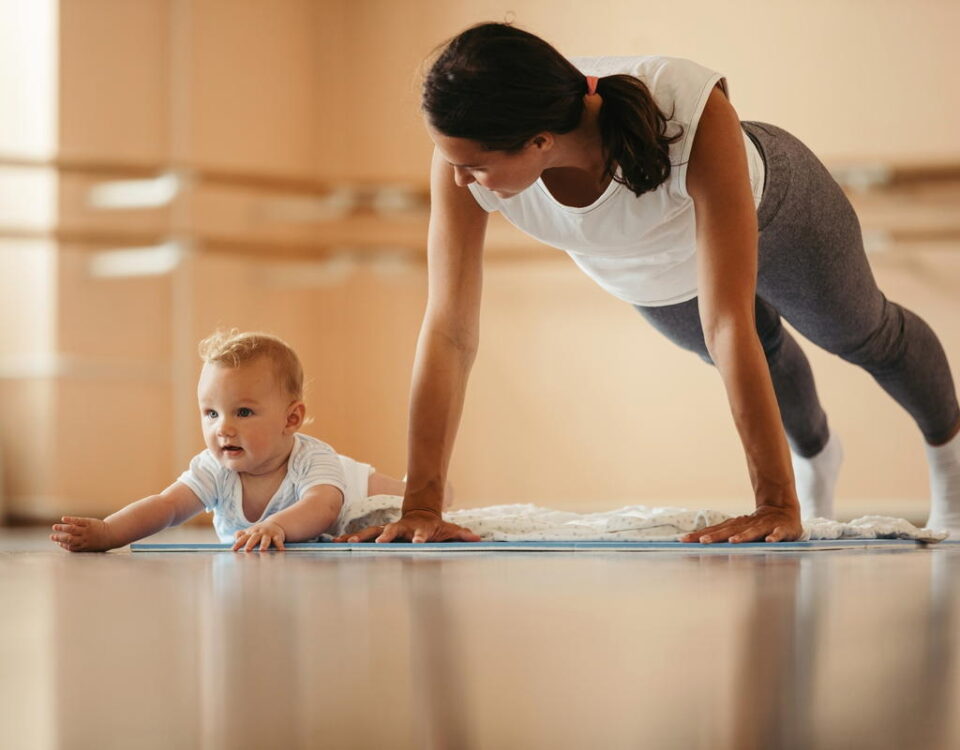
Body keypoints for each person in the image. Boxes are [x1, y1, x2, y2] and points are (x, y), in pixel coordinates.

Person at [341, 22, 960, 545]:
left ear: (540, 141)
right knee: (765, 360)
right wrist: (421, 504)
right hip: (646, 266)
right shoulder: (463, 154)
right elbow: (449, 330)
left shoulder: (686, 105)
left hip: (779, 209)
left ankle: (951, 472)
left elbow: (727, 321)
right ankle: (816, 461)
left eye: (474, 166)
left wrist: (772, 504)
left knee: (861, 334)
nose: (461, 181)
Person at [49, 330, 410, 552]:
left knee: (400, 500)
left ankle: (428, 490)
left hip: (349, 486)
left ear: (291, 418)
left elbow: (323, 508)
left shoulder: (313, 460)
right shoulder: (214, 468)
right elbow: (167, 506)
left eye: (243, 412)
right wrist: (110, 531)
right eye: (211, 413)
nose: (223, 428)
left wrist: (277, 526)